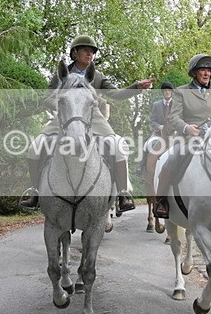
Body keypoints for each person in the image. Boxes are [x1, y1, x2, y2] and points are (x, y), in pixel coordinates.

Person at [19, 35, 154, 213]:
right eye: (85, 50)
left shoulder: (97, 76)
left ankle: (122, 194)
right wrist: (62, 106)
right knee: (35, 146)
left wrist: (136, 87)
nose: (90, 54)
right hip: (64, 117)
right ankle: (34, 191)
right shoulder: (61, 75)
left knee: (117, 146)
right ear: (74, 53)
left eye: (92, 51)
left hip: (93, 118)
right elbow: (47, 98)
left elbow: (117, 94)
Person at [153, 54, 211, 219]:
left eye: (209, 70)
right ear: (194, 72)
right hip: (190, 139)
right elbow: (173, 117)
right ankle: (161, 202)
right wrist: (187, 128)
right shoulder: (181, 92)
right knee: (171, 159)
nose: (207, 73)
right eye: (203, 70)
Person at [136, 82, 174, 175]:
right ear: (162, 92)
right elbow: (152, 121)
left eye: (169, 90)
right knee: (146, 144)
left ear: (172, 92)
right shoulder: (156, 104)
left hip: (173, 133)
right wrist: (158, 126)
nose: (167, 92)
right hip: (158, 133)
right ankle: (141, 166)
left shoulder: (177, 105)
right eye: (165, 90)